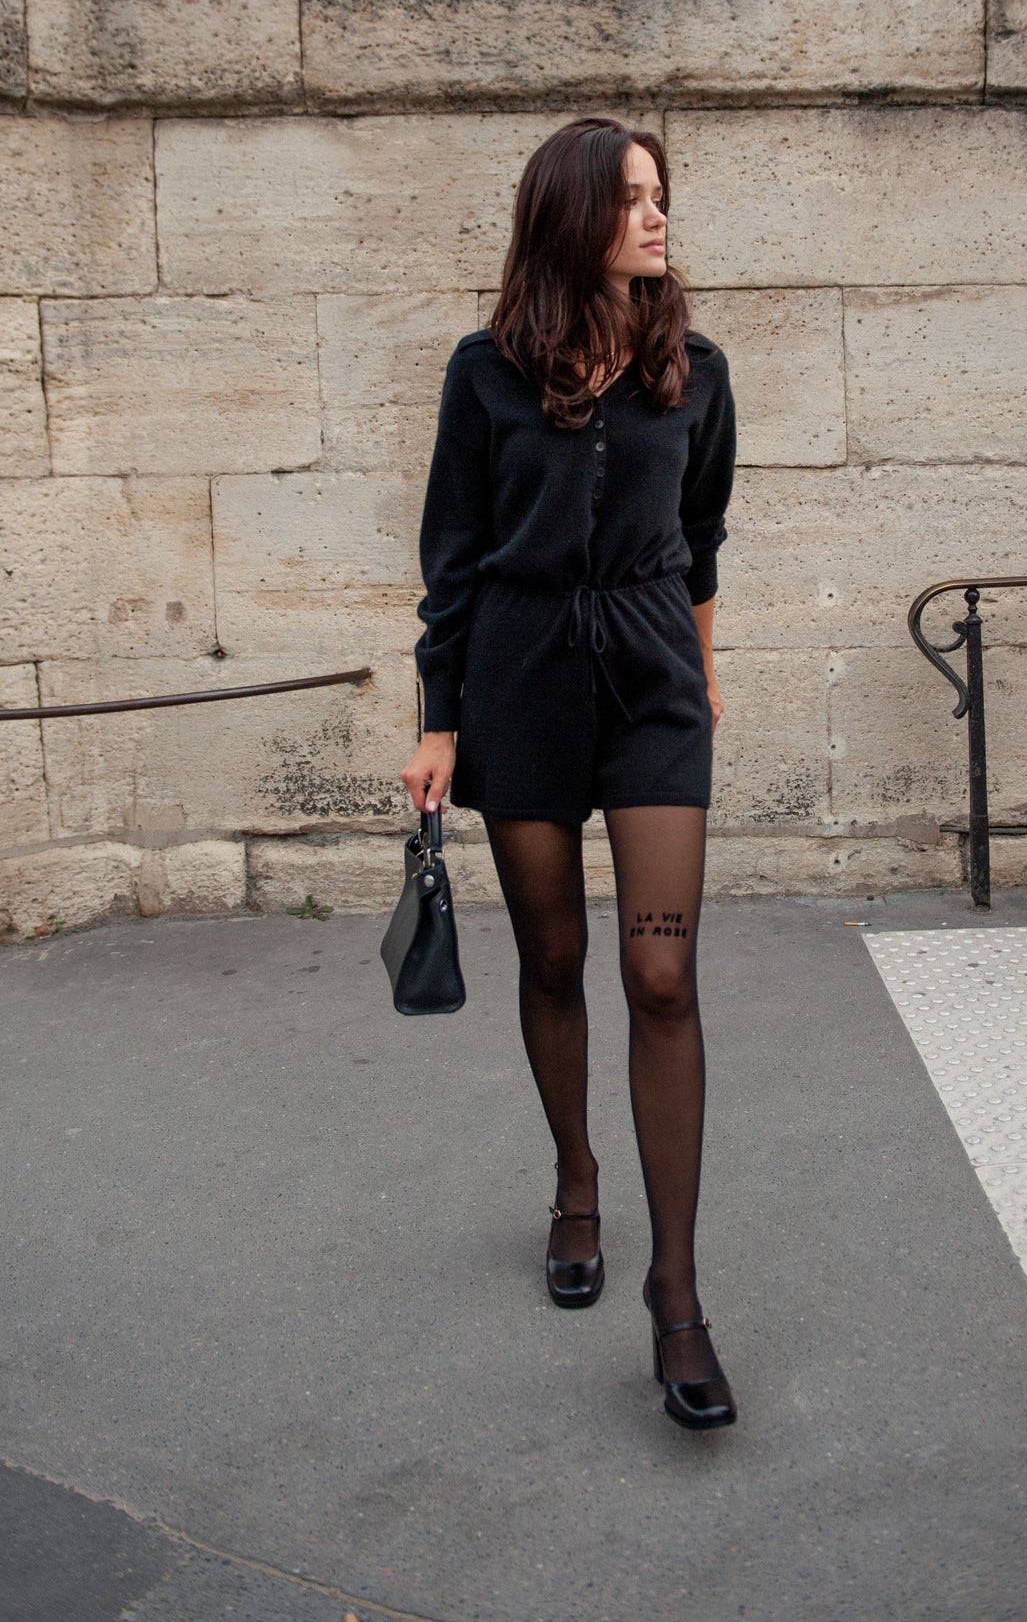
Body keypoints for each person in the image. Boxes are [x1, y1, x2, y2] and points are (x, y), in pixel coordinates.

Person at [400, 116, 739, 1430]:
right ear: (572, 216)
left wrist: (702, 667)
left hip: (652, 683)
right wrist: (439, 721)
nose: (657, 218)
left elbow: (700, 535)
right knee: (552, 959)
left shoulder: (695, 369)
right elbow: (453, 555)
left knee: (661, 975)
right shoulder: (484, 373)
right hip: (521, 679)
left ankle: (677, 1294)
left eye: (661, 197)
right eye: (632, 199)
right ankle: (576, 1182)